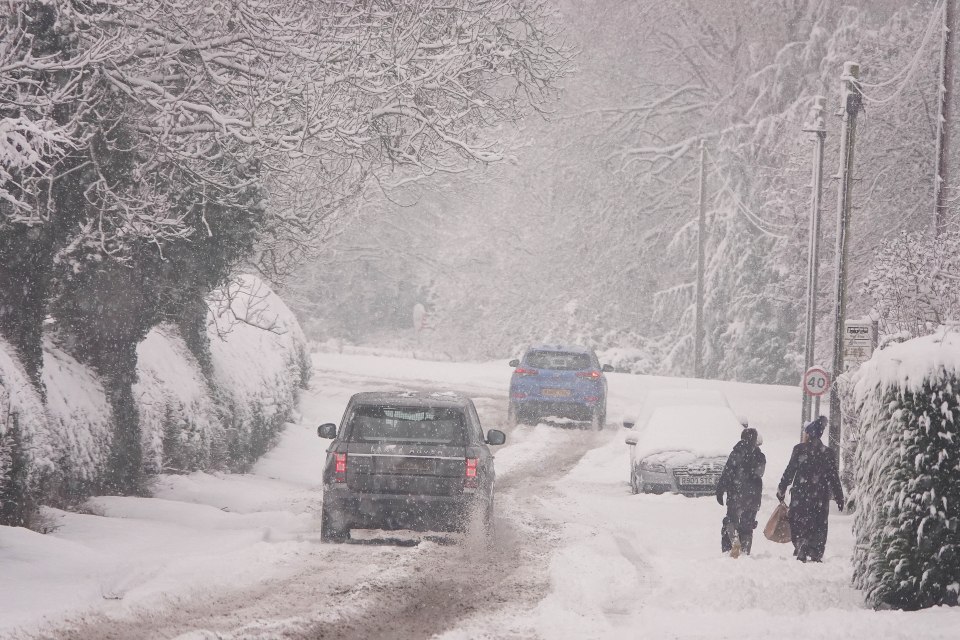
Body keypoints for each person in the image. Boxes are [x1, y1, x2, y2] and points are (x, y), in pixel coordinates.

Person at [777, 415, 844, 562]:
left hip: (800, 494)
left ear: (808, 433)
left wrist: (781, 488)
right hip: (820, 495)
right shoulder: (828, 453)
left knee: (799, 520)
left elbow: (789, 471)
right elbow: (834, 477)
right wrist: (839, 496)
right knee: (819, 523)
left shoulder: (799, 450)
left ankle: (801, 542)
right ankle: (816, 550)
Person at [716, 427, 765, 558]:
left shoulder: (736, 453)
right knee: (748, 525)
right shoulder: (760, 456)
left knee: (731, 520)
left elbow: (728, 472)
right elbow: (760, 473)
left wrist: (720, 489)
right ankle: (745, 550)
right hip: (753, 496)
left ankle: (734, 542)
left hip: (736, 494)